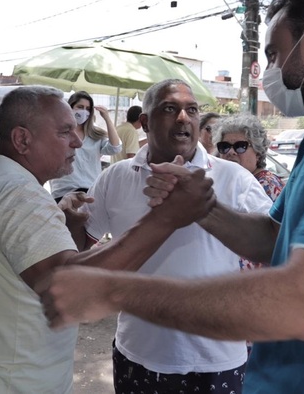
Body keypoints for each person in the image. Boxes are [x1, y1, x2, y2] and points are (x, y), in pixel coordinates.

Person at [40, 0, 304, 393]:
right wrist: (202, 208)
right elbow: (274, 239)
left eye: (274, 54)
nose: (269, 71)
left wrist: (116, 290)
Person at [0, 85, 215, 393]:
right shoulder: (17, 193)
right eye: (65, 132)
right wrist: (164, 218)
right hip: (5, 382)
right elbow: (69, 288)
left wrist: (64, 228)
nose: (77, 140)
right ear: (22, 139)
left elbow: (43, 264)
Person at [73, 79, 272, 393]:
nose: (184, 118)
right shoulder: (116, 177)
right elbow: (83, 245)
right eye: (170, 109)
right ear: (145, 122)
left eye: (192, 110)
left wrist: (204, 207)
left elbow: (274, 245)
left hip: (217, 360)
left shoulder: (233, 178)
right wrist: (69, 219)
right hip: (139, 353)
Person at [50, 91, 121, 201]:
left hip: (91, 192)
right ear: (70, 107)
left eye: (88, 108)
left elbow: (115, 148)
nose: (84, 111)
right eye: (80, 107)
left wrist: (107, 118)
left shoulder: (95, 134)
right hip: (63, 192)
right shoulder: (59, 131)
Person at [214, 114, 284, 202]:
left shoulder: (265, 184)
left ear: (258, 153)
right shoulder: (226, 182)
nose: (230, 152)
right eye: (225, 146)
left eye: (240, 146)